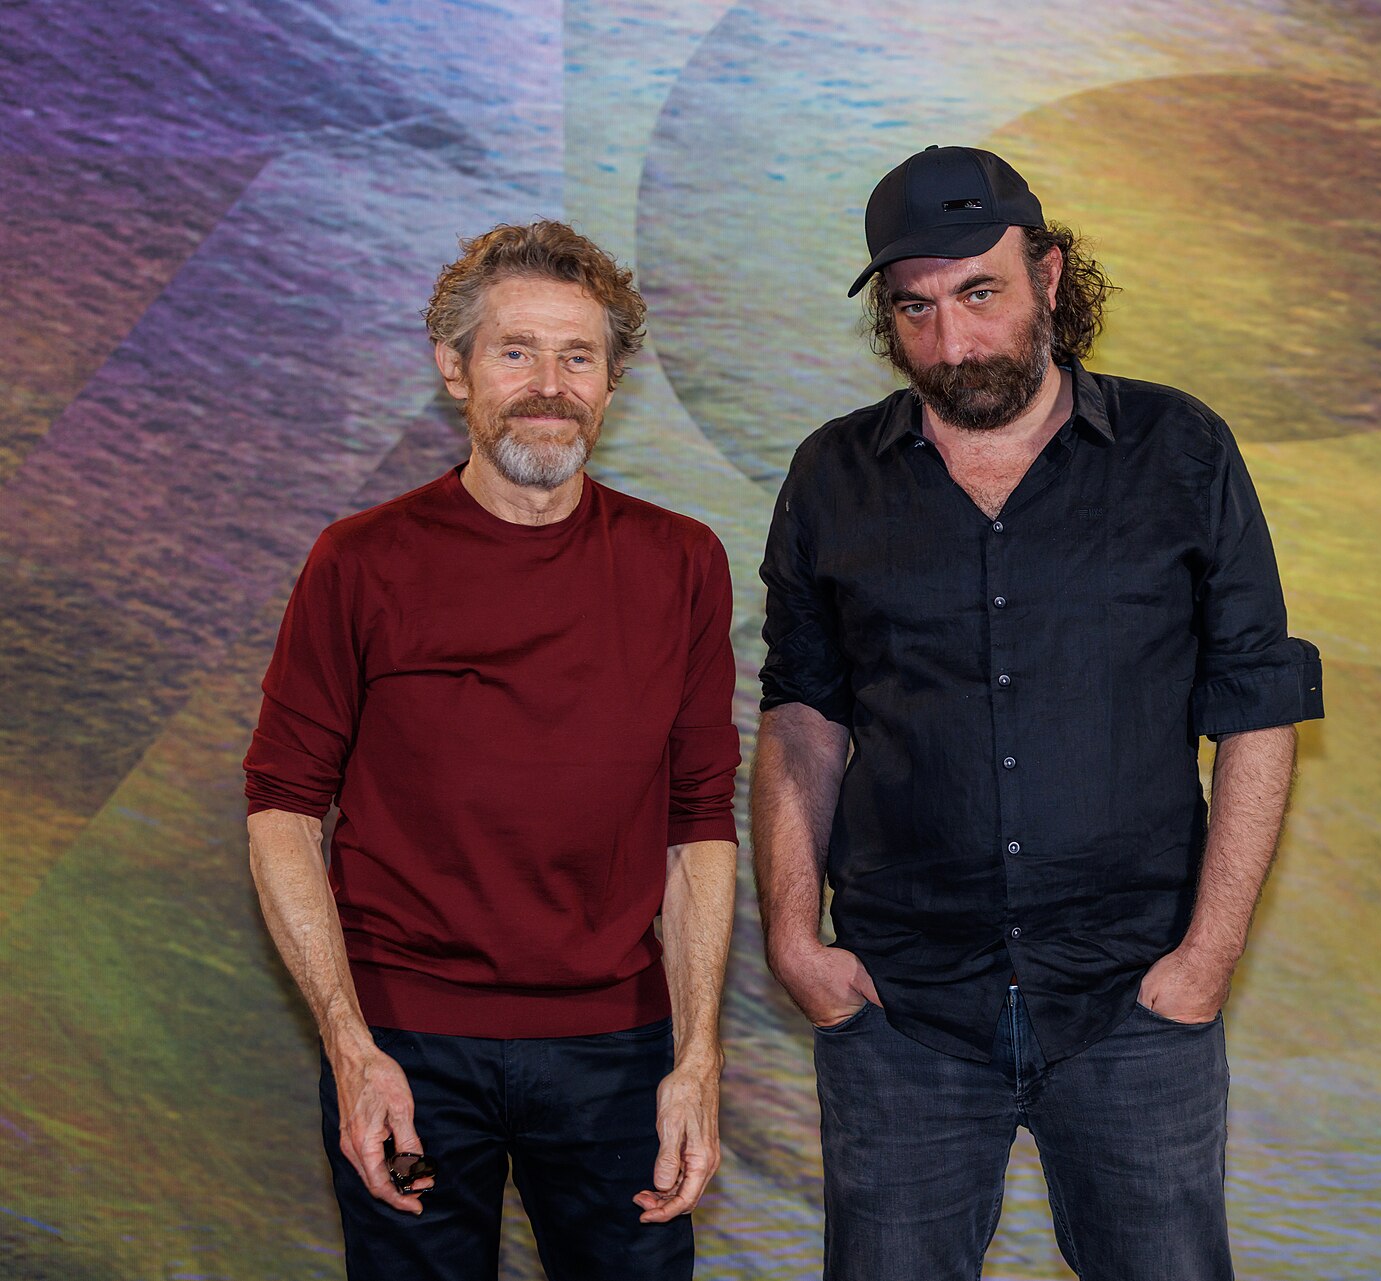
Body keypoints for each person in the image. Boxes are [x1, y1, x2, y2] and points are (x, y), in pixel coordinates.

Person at [751, 144, 1324, 1280]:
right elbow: (801, 716)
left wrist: (1207, 956)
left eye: (980, 294)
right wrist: (791, 939)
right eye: (914, 309)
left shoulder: (1180, 450)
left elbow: (1256, 705)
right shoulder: (831, 477)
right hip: (901, 1009)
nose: (951, 343)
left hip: (1132, 1001)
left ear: (1050, 277)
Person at [244, 221, 740, 1281]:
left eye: (578, 357)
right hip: (406, 1050)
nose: (548, 386)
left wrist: (695, 1059)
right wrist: (348, 1043)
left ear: (612, 382)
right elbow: (284, 808)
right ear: (454, 368)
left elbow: (697, 823)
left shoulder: (682, 563)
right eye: (516, 351)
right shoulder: (360, 562)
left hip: (617, 1054)